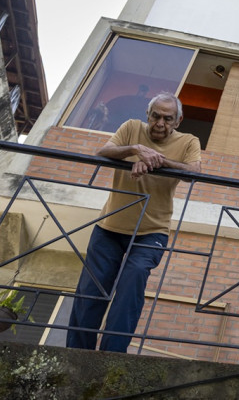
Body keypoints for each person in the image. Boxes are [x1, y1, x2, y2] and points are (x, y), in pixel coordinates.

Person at [66, 92, 201, 352]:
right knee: (91, 290)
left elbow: (194, 173)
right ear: (147, 115)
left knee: (133, 280)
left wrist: (156, 162)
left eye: (168, 118)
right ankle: (76, 354)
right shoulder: (130, 128)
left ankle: (111, 355)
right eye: (156, 116)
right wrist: (136, 150)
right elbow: (103, 151)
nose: (160, 123)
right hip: (110, 226)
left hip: (152, 231)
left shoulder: (188, 142)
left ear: (178, 120)